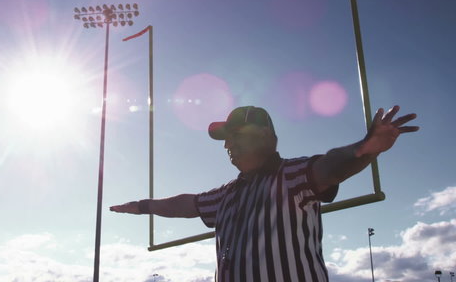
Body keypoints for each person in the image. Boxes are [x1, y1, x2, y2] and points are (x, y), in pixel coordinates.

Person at [110, 105, 418, 281]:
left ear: (267, 136)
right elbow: (187, 204)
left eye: (236, 136)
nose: (228, 145)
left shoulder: (292, 175)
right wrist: (142, 205)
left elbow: (330, 167)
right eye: (225, 140)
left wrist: (364, 148)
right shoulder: (227, 194)